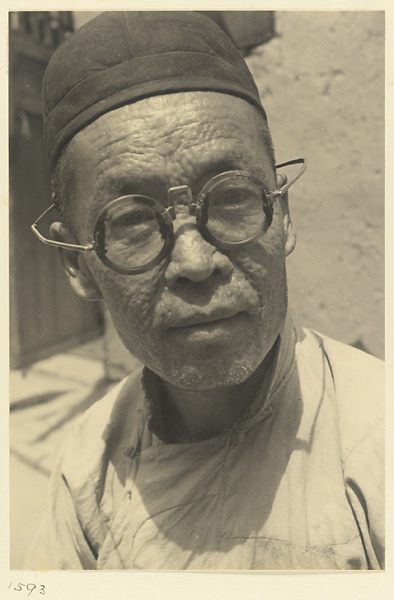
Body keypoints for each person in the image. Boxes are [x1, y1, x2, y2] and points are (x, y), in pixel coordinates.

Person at [26, 11, 384, 570]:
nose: (195, 261)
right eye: (131, 221)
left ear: (283, 215)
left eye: (234, 195)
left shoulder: (376, 440)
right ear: (78, 265)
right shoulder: (87, 471)